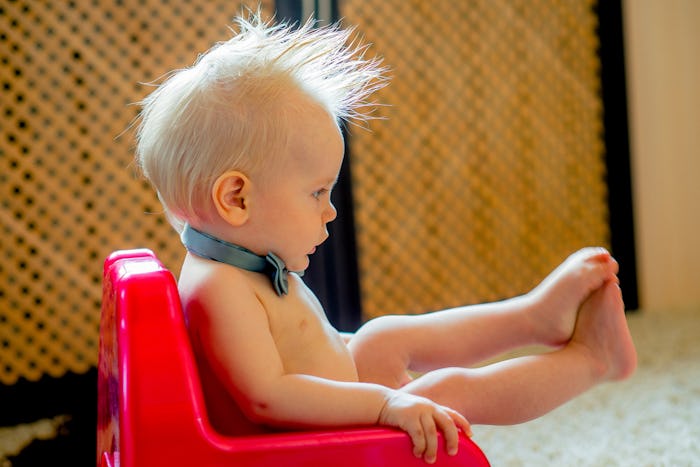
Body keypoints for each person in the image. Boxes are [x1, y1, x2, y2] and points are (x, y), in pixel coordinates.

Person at [134, 13, 637, 464]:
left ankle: (533, 317)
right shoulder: (219, 290)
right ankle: (592, 361)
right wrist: (386, 402)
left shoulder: (236, 263)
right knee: (445, 392)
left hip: (328, 403)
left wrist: (353, 358)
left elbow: (297, 355)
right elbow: (267, 396)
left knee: (383, 336)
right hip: (303, 443)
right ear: (236, 199)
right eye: (316, 192)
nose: (330, 210)